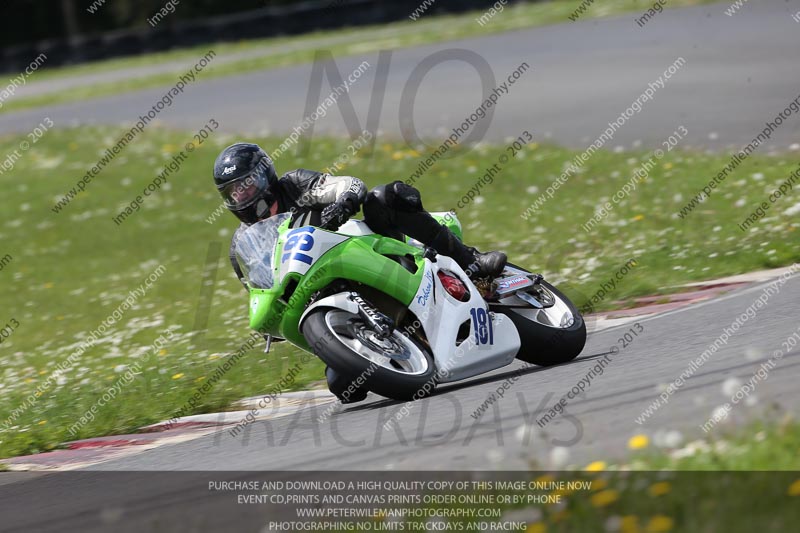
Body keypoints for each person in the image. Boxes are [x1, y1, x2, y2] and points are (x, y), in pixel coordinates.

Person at [214, 142, 507, 401]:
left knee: (384, 198)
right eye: (233, 192)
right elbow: (259, 287)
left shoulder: (295, 185)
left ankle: (469, 260)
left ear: (265, 175)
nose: (242, 195)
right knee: (344, 386)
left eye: (246, 184)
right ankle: (393, 345)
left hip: (365, 248)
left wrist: (343, 204)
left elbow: (349, 184)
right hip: (321, 291)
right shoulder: (241, 247)